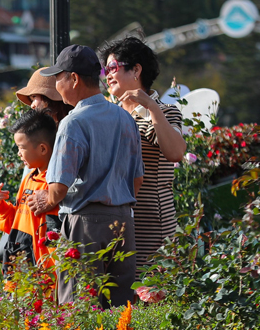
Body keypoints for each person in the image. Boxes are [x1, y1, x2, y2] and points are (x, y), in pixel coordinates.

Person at [27, 45, 143, 308]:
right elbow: (137, 181)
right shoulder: (125, 118)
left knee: (80, 307)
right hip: (124, 221)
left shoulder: (74, 121)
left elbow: (57, 189)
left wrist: (45, 199)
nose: (56, 85)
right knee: (120, 309)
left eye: (58, 78)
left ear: (74, 78)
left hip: (86, 223)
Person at [101, 37, 185, 276]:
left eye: (113, 68)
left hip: (151, 224)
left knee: (150, 296)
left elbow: (176, 152)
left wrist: (152, 107)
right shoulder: (109, 114)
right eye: (104, 70)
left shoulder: (166, 112)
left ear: (136, 69)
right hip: (115, 222)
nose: (107, 75)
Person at [0, 111, 61, 272]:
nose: (19, 153)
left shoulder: (54, 187)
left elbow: (52, 236)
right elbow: (15, 224)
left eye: (21, 148)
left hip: (41, 278)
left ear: (43, 148)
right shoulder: (29, 179)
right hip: (20, 273)